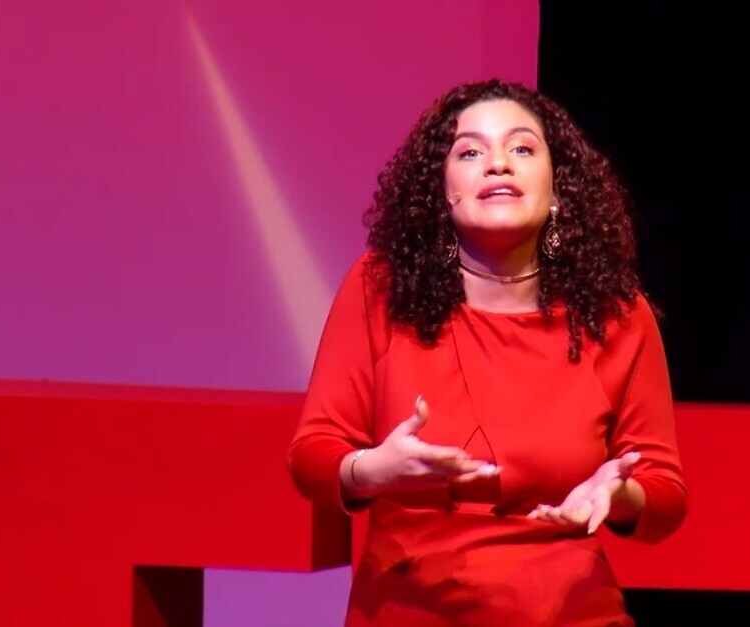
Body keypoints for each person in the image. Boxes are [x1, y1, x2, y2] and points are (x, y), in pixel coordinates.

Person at [287, 78, 687, 626]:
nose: (498, 164)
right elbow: (312, 454)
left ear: (558, 188)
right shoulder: (379, 289)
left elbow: (664, 492)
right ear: (440, 191)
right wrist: (369, 471)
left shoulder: (615, 314)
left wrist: (620, 496)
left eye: (522, 148)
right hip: (410, 609)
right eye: (470, 152)